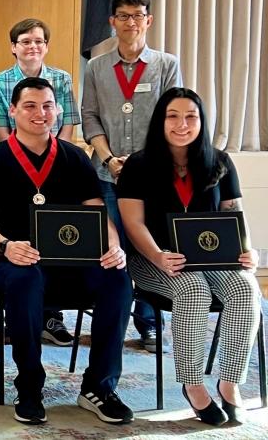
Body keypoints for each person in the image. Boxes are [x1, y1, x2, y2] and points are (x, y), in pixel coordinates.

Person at [0, 77, 133, 425]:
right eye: (30, 106)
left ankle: (99, 388)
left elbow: (98, 215)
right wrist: (6, 246)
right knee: (25, 280)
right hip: (14, 265)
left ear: (57, 110)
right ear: (12, 111)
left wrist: (114, 246)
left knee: (118, 279)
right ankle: (29, 386)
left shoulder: (75, 157)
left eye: (47, 105)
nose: (40, 113)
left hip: (72, 265)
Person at [117, 87, 262, 426]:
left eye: (191, 117)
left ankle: (229, 383)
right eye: (173, 116)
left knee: (246, 288)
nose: (182, 124)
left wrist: (247, 249)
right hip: (153, 257)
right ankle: (193, 383)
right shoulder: (138, 165)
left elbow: (234, 215)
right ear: (160, 121)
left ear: (201, 122)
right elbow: (133, 224)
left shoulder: (219, 161)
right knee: (193, 289)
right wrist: (157, 255)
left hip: (211, 257)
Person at [82, 0, 183, 352]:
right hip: (108, 173)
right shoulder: (96, 68)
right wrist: (109, 158)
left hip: (152, 174)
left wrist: (140, 162)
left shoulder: (166, 65)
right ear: (112, 22)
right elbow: (89, 117)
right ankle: (111, 318)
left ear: (148, 20)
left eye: (137, 15)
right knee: (112, 247)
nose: (130, 22)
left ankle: (149, 322)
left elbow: (175, 116)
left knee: (148, 244)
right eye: (123, 16)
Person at [0, 18, 80, 347]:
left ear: (46, 46)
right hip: (16, 165)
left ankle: (51, 316)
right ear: (14, 46)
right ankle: (19, 315)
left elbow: (67, 122)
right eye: (25, 41)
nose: (32, 47)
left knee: (57, 241)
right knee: (20, 239)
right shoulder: (0, 82)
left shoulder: (62, 79)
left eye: (39, 41)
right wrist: (18, 157)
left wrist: (61, 157)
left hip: (57, 167)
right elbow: (0, 126)